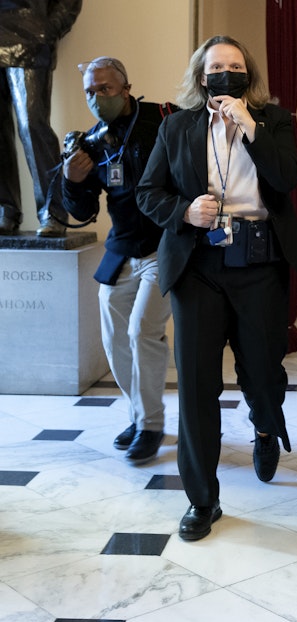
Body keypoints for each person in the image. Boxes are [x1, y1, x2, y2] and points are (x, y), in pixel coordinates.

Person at [136, 35, 297, 541]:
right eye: (217, 67)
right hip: (198, 266)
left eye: (235, 67)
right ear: (201, 76)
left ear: (248, 75)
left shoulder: (276, 122)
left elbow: (285, 181)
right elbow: (149, 191)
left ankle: (264, 425)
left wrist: (250, 126)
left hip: (259, 263)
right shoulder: (176, 126)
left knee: (261, 371)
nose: (226, 74)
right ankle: (202, 499)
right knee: (196, 386)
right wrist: (184, 212)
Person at [62, 57, 174, 464]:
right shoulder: (91, 142)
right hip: (123, 248)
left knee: (142, 330)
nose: (96, 98)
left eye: (104, 89)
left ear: (126, 88)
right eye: (90, 91)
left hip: (164, 245)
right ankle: (139, 413)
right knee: (113, 337)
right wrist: (71, 182)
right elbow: (82, 210)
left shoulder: (162, 120)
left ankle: (151, 425)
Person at [0, 0, 81, 236]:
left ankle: (52, 212)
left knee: (32, 125)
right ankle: (5, 209)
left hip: (31, 34)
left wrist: (49, 28)